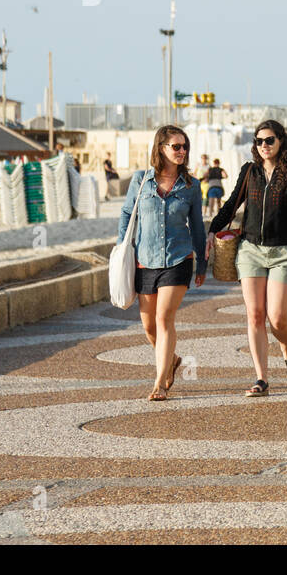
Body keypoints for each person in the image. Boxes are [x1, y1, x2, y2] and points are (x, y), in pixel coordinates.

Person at [209, 120, 287, 396]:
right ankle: (261, 379)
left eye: (269, 140)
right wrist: (212, 230)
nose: (264, 146)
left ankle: (286, 348)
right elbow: (232, 204)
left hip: (283, 251)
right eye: (259, 141)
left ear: (281, 141)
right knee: (255, 314)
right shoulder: (250, 172)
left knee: (277, 317)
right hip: (250, 250)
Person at [117, 125, 207, 401]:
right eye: (175, 146)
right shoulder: (141, 180)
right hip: (144, 259)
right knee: (148, 326)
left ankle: (160, 383)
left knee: (164, 318)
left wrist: (202, 264)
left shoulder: (191, 187)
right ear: (161, 148)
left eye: (184, 147)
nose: (181, 151)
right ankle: (172, 360)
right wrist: (122, 247)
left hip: (178, 258)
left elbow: (198, 228)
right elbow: (126, 213)